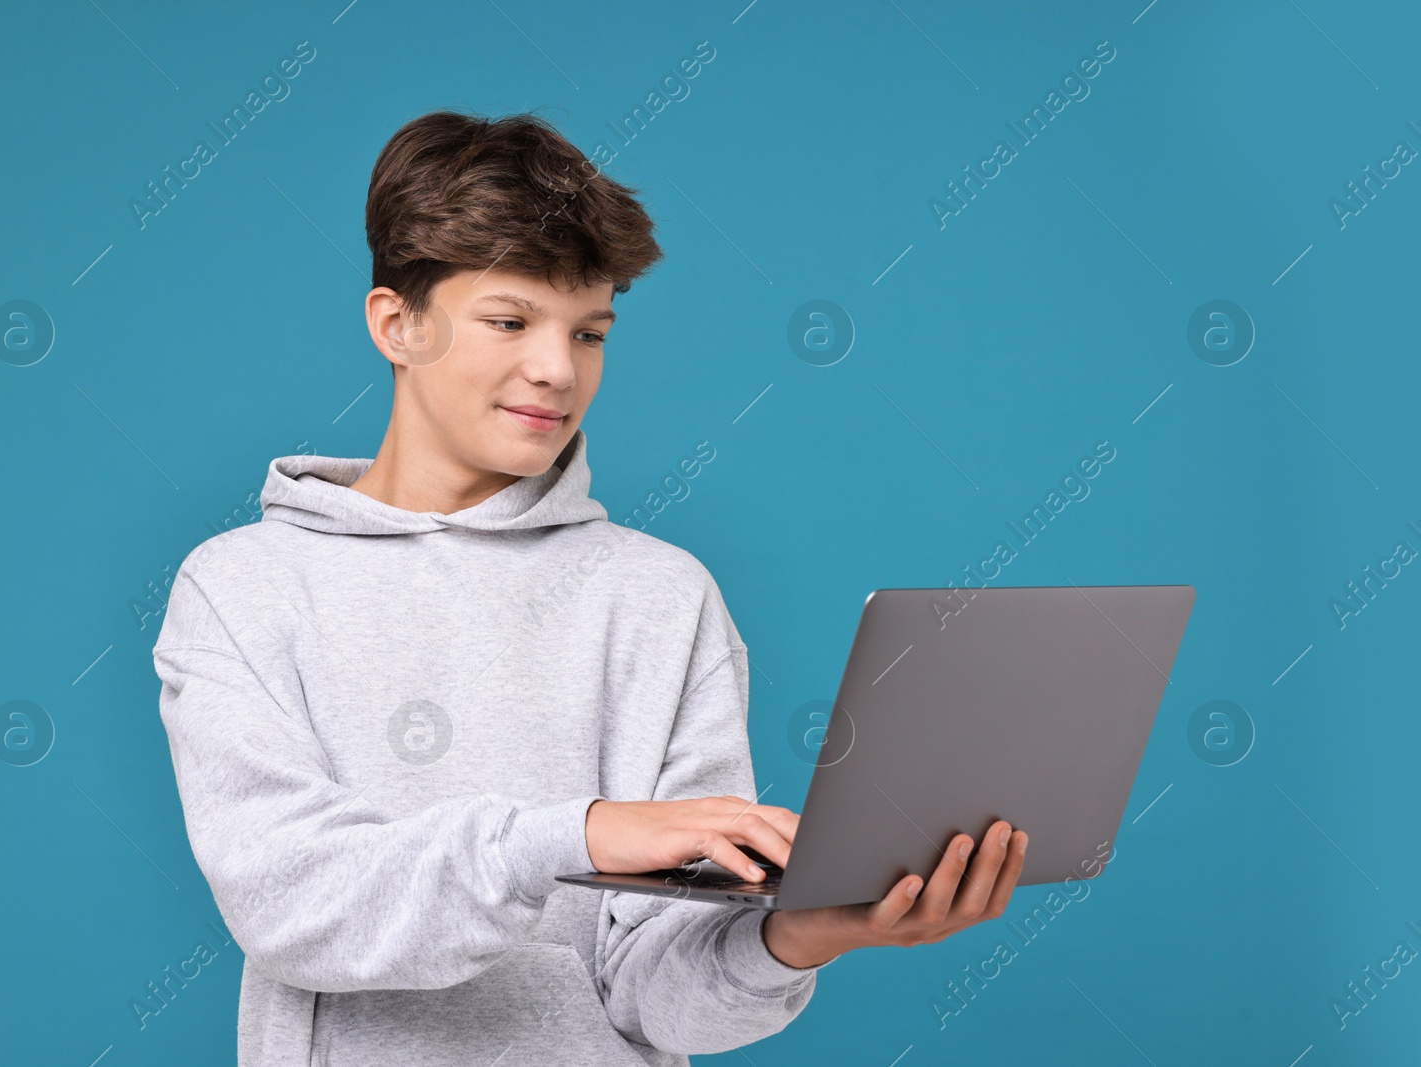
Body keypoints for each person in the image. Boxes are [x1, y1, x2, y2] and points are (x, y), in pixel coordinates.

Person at [153, 109, 1027, 1066]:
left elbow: (661, 992)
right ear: (397, 324)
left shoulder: (661, 595)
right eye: (510, 321)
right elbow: (293, 903)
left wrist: (805, 932)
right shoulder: (244, 586)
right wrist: (579, 833)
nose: (556, 370)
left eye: (591, 332)